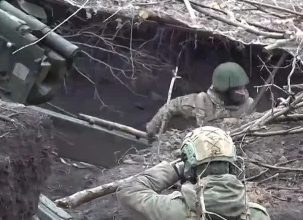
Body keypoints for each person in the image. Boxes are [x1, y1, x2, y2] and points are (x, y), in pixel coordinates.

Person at [116, 126, 271, 220]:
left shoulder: (172, 210)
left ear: (189, 165)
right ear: (233, 167)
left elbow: (128, 190)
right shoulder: (258, 215)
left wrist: (175, 170)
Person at [146, 62, 254, 138]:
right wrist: (152, 128)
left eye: (242, 87)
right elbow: (171, 106)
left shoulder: (249, 104)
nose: (242, 92)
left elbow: (253, 125)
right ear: (224, 90)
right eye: (236, 89)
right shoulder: (201, 102)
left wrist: (235, 122)